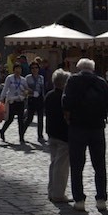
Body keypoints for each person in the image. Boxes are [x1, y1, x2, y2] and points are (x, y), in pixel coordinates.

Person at [62, 57, 108, 211]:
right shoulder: (100, 82)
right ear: (92, 69)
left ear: (79, 68)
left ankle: (79, 200)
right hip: (97, 127)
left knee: (77, 165)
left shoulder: (72, 81)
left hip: (77, 127)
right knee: (99, 165)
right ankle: (101, 199)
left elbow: (65, 102)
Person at [44, 68, 71, 203]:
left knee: (54, 163)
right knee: (61, 166)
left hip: (51, 133)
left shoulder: (49, 95)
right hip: (63, 135)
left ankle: (51, 191)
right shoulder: (65, 97)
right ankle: (58, 194)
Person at [0, 62, 29, 143]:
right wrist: (2, 98)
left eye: (19, 69)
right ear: (13, 70)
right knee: (10, 119)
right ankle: (2, 130)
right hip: (11, 101)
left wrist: (25, 92)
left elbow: (27, 90)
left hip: (20, 101)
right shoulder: (10, 78)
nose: (18, 71)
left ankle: (21, 137)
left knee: (20, 120)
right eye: (16, 69)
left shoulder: (23, 80)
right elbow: (5, 88)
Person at [22, 61, 46, 142]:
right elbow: (24, 89)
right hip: (31, 99)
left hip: (40, 99)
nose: (34, 69)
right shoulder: (27, 78)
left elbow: (43, 89)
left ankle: (40, 135)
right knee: (29, 118)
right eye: (32, 68)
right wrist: (31, 93)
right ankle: (22, 132)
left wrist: (43, 98)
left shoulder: (41, 78)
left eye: (36, 68)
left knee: (40, 119)